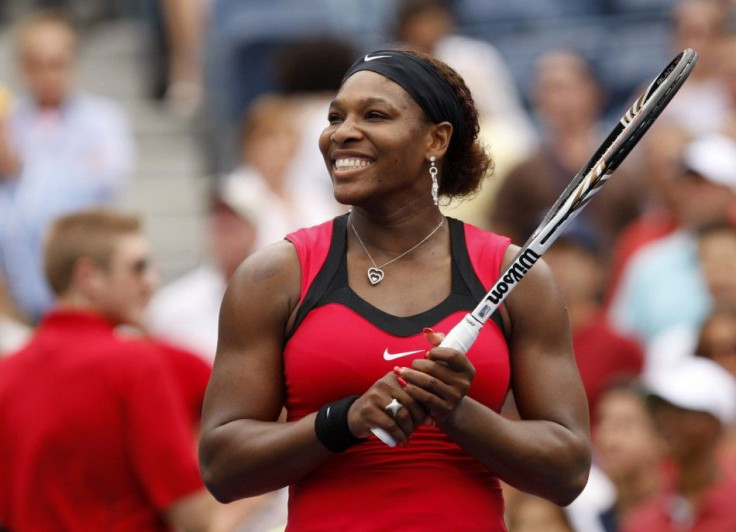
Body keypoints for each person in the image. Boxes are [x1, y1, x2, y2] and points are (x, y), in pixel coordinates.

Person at [198, 48, 591, 530]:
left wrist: (458, 413)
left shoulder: (515, 276)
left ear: (436, 139)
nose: (341, 132)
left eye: (375, 115)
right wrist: (342, 421)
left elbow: (569, 469)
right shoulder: (275, 276)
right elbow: (221, 467)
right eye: (335, 117)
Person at [0, 209, 214, 531]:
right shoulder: (135, 364)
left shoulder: (7, 373)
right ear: (88, 277)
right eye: (138, 267)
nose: (151, 280)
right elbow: (193, 518)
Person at [0, 9, 135, 322]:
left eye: (57, 63)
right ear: (23, 67)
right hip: (14, 290)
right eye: (38, 65)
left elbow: (102, 184)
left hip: (86, 285)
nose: (49, 75)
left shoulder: (104, 120)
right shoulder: (8, 124)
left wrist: (22, 171)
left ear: (73, 62)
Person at [488, 49, 644, 253]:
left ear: (594, 91)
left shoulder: (627, 171)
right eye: (546, 88)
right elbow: (502, 244)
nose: (556, 98)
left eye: (562, 87)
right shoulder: (523, 173)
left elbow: (639, 237)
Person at [607, 133, 736, 348]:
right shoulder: (650, 264)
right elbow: (620, 344)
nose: (693, 193)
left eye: (706, 183)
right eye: (687, 183)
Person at [622, 356, 736, 531]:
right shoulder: (643, 519)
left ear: (715, 424)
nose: (665, 421)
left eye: (681, 411)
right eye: (659, 409)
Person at [592, 380, 665, 531]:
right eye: (602, 422)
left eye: (624, 426)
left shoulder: (681, 514)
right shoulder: (593, 519)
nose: (608, 441)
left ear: (660, 435)